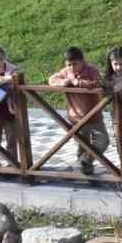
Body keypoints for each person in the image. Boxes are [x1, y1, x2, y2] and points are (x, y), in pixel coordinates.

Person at [48, 47, 108, 177]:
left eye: (75, 64)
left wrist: (78, 82)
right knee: (82, 145)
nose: (72, 67)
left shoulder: (91, 70)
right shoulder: (66, 72)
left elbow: (97, 82)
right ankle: (86, 172)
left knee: (103, 141)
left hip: (94, 114)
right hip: (76, 117)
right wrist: (63, 82)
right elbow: (52, 79)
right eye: (69, 64)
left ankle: (84, 161)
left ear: (82, 62)